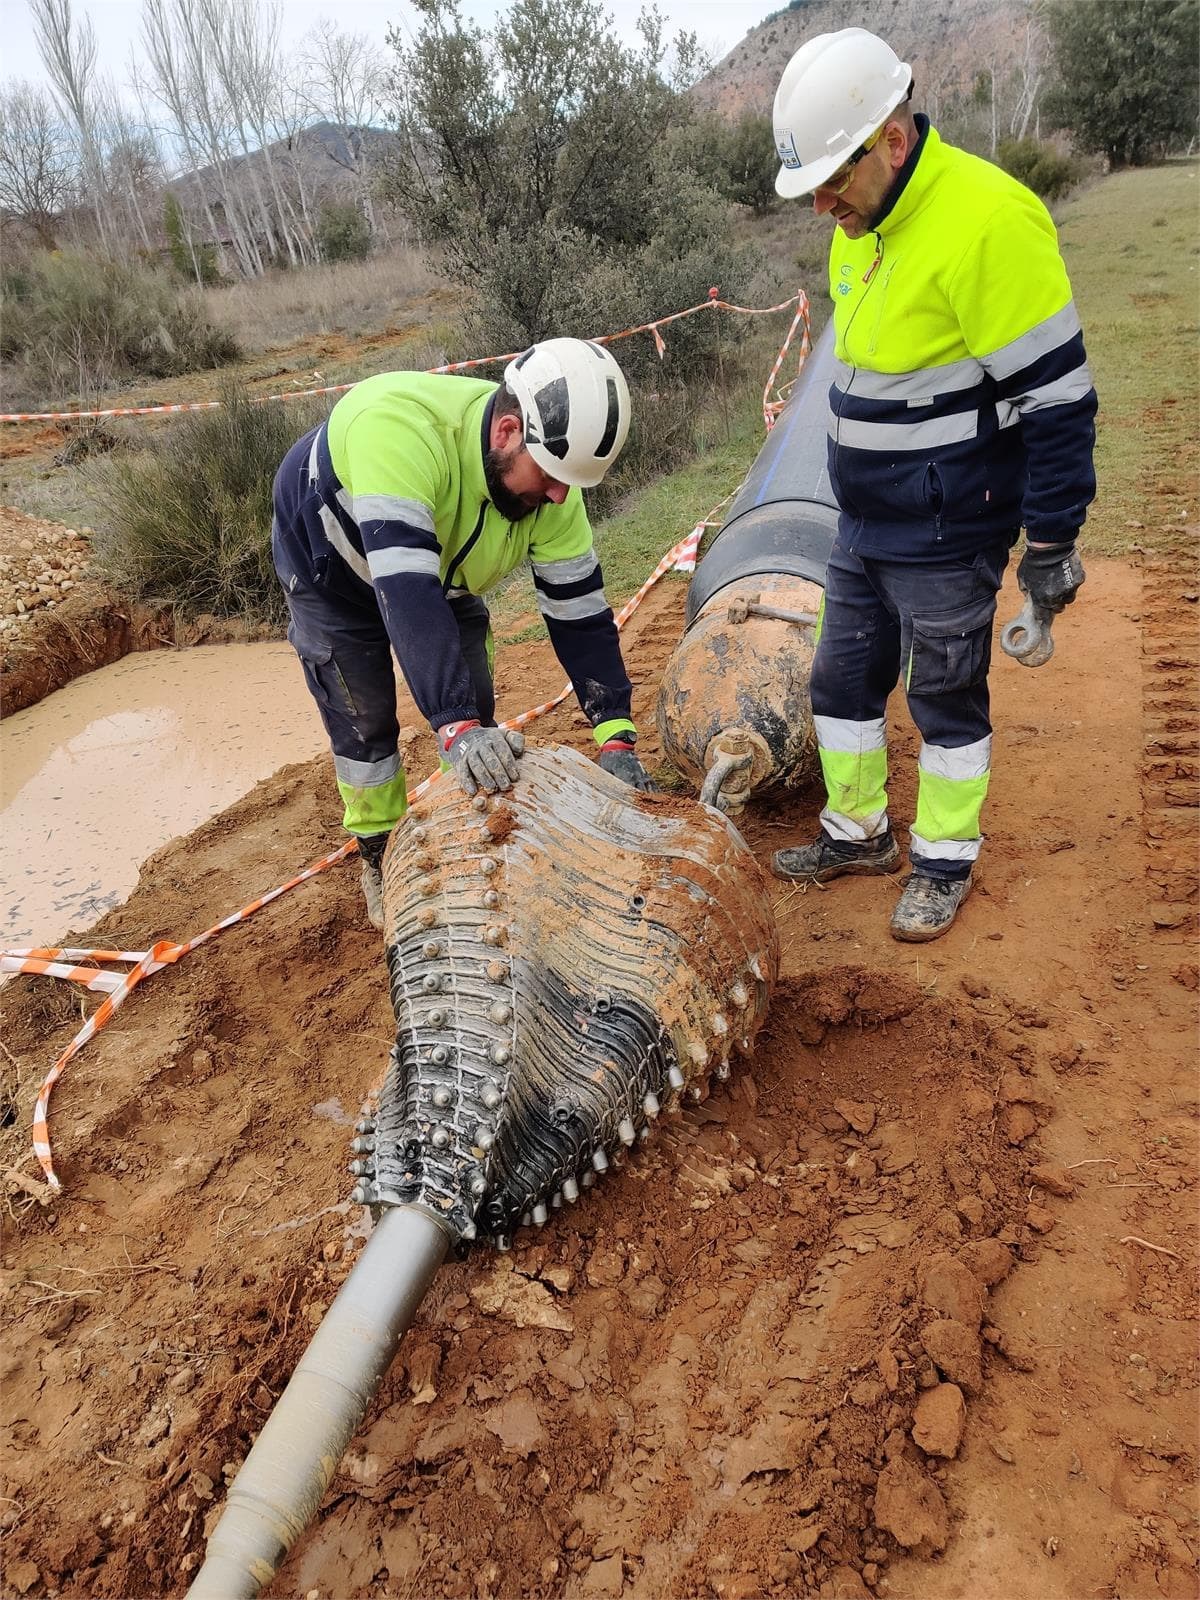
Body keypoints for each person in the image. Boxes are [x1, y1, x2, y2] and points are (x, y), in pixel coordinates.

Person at [768, 27, 1096, 941]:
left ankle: (943, 862)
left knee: (944, 699)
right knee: (840, 683)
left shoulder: (989, 221)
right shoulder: (860, 221)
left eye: (834, 179)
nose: (821, 204)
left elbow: (1060, 403)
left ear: (895, 141)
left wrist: (1052, 544)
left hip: (952, 526)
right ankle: (858, 832)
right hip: (863, 522)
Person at [272, 337, 655, 930]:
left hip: (442, 568)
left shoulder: (556, 485)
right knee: (366, 717)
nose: (559, 495)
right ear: (507, 432)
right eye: (552, 477)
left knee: (474, 705)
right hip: (333, 570)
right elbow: (407, 595)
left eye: (570, 483)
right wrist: (452, 725)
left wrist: (616, 736)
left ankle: (470, 831)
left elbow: (580, 613)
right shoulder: (396, 431)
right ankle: (378, 853)